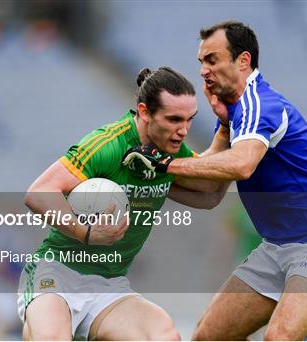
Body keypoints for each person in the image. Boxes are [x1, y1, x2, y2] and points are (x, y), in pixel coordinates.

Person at [123, 21, 307, 340]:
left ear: (243, 61)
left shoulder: (259, 103)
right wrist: (153, 176)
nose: (204, 71)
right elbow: (209, 189)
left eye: (212, 60)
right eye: (201, 62)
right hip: (276, 246)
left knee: (279, 337)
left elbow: (242, 165)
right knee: (209, 336)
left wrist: (164, 164)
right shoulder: (237, 114)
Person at [19, 66, 226, 340]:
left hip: (109, 284)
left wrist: (228, 130)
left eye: (189, 120)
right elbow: (38, 192)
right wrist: (87, 233)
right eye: (174, 119)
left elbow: (211, 193)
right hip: (57, 273)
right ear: (144, 112)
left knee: (164, 337)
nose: (183, 130)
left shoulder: (171, 154)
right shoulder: (108, 144)